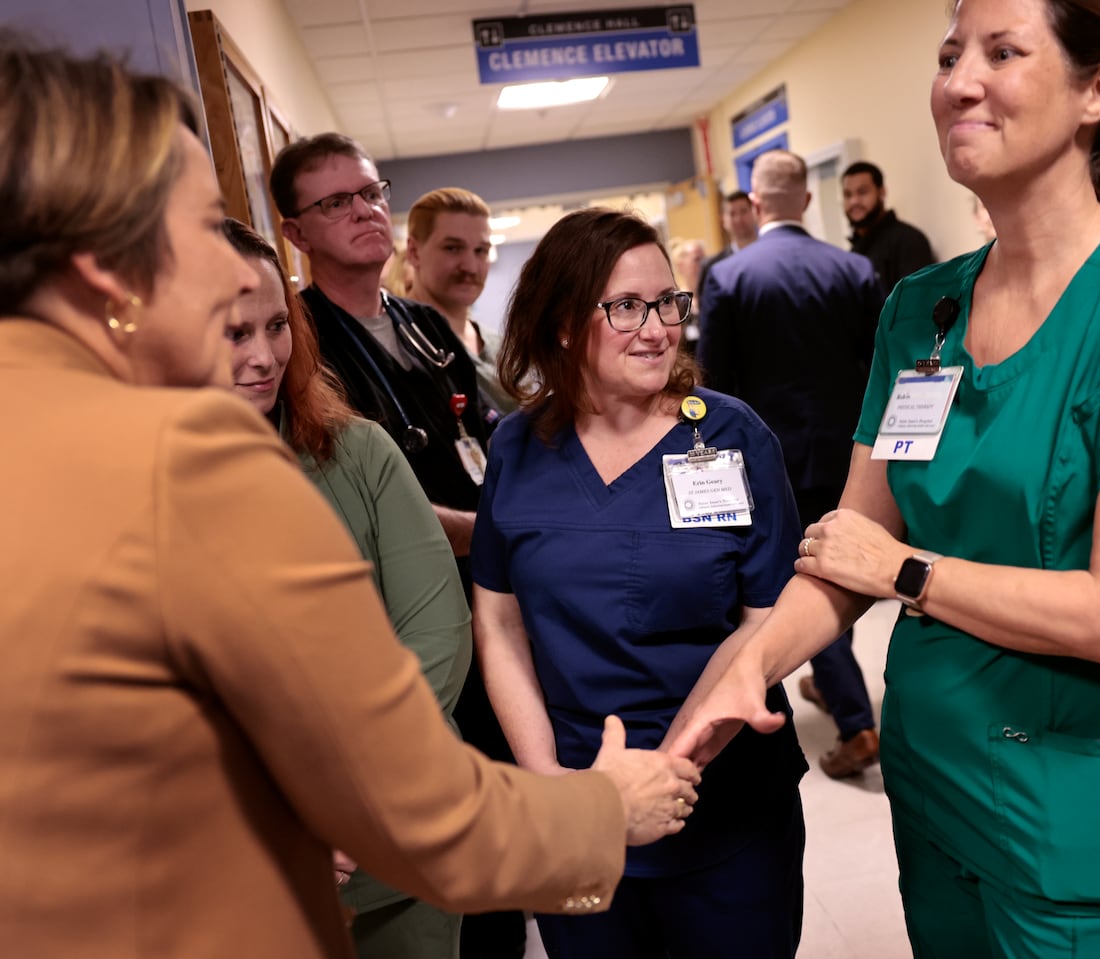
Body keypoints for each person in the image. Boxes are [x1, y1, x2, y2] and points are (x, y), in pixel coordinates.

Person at [0, 36, 700, 959]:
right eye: (204, 228)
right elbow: (423, 815)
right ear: (106, 270)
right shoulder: (184, 463)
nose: (234, 274)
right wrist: (607, 808)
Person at [670, 1, 1100, 955]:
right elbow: (846, 551)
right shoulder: (919, 311)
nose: (959, 81)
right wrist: (743, 672)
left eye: (1002, 52)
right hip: (935, 782)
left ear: (1097, 90)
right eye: (948, 56)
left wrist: (908, 572)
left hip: (1080, 807)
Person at [472, 208, 808, 959]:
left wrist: (676, 764)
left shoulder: (730, 435)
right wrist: (556, 784)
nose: (658, 328)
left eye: (668, 302)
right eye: (626, 307)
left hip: (722, 805)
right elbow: (498, 623)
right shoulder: (518, 446)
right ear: (562, 323)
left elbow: (771, 620)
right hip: (576, 803)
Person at [269, 134, 525, 956]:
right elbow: (383, 508)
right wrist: (490, 535)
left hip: (480, 604)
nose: (364, 211)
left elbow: (481, 438)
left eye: (372, 192)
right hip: (404, 625)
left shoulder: (424, 326)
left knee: (492, 827)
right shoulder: (294, 345)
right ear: (295, 233)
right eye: (334, 201)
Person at [223, 217, 473, 958]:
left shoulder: (356, 452)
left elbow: (437, 632)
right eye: (233, 333)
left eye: (277, 325)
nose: (265, 357)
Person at [700, 149, 886, 779]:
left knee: (805, 577)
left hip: (767, 458)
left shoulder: (730, 277)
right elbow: (878, 368)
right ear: (807, 201)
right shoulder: (854, 270)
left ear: (755, 205)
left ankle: (857, 722)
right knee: (843, 568)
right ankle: (841, 691)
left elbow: (714, 384)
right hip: (850, 452)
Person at [405, 187, 515, 414]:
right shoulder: (403, 347)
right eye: (453, 248)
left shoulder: (501, 348)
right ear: (414, 252)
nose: (470, 267)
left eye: (481, 251)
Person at [841, 160, 937, 294]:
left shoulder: (908, 240)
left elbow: (915, 304)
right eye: (848, 195)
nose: (854, 201)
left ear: (882, 192)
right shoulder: (855, 250)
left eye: (862, 192)